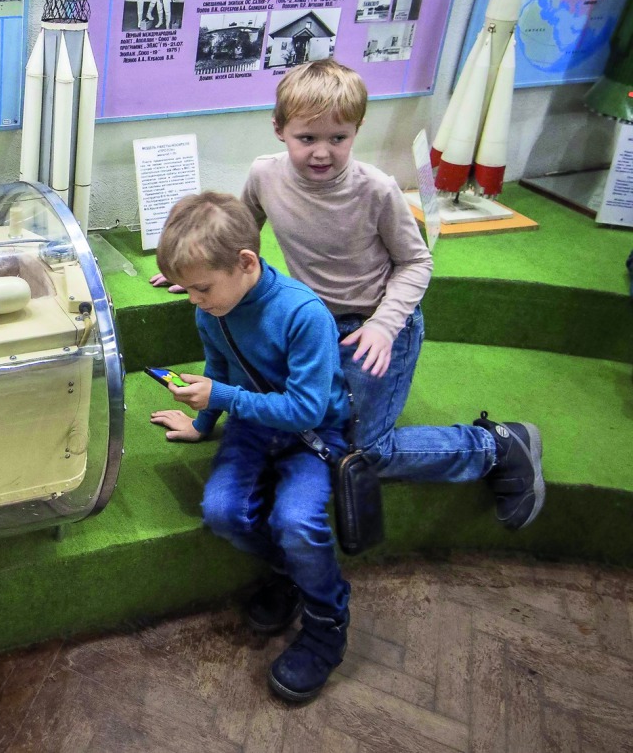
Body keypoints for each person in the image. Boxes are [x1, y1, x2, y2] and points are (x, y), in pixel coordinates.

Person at [237, 59, 544, 533]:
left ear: (357, 130)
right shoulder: (263, 174)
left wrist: (383, 325)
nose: (322, 152)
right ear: (279, 129)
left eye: (338, 138)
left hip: (378, 324)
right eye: (307, 137)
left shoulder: (377, 189)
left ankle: (496, 446)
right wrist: (212, 272)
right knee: (311, 429)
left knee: (367, 450)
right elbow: (242, 231)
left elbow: (417, 262)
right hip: (315, 324)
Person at [150, 191, 354, 702]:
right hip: (251, 426)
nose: (194, 300)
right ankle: (290, 573)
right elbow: (218, 366)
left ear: (246, 262)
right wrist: (203, 422)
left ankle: (327, 622)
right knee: (222, 512)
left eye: (201, 288)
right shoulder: (213, 308)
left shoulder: (304, 314)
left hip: (312, 437)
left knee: (297, 521)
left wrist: (221, 397)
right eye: (187, 290)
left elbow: (307, 410)